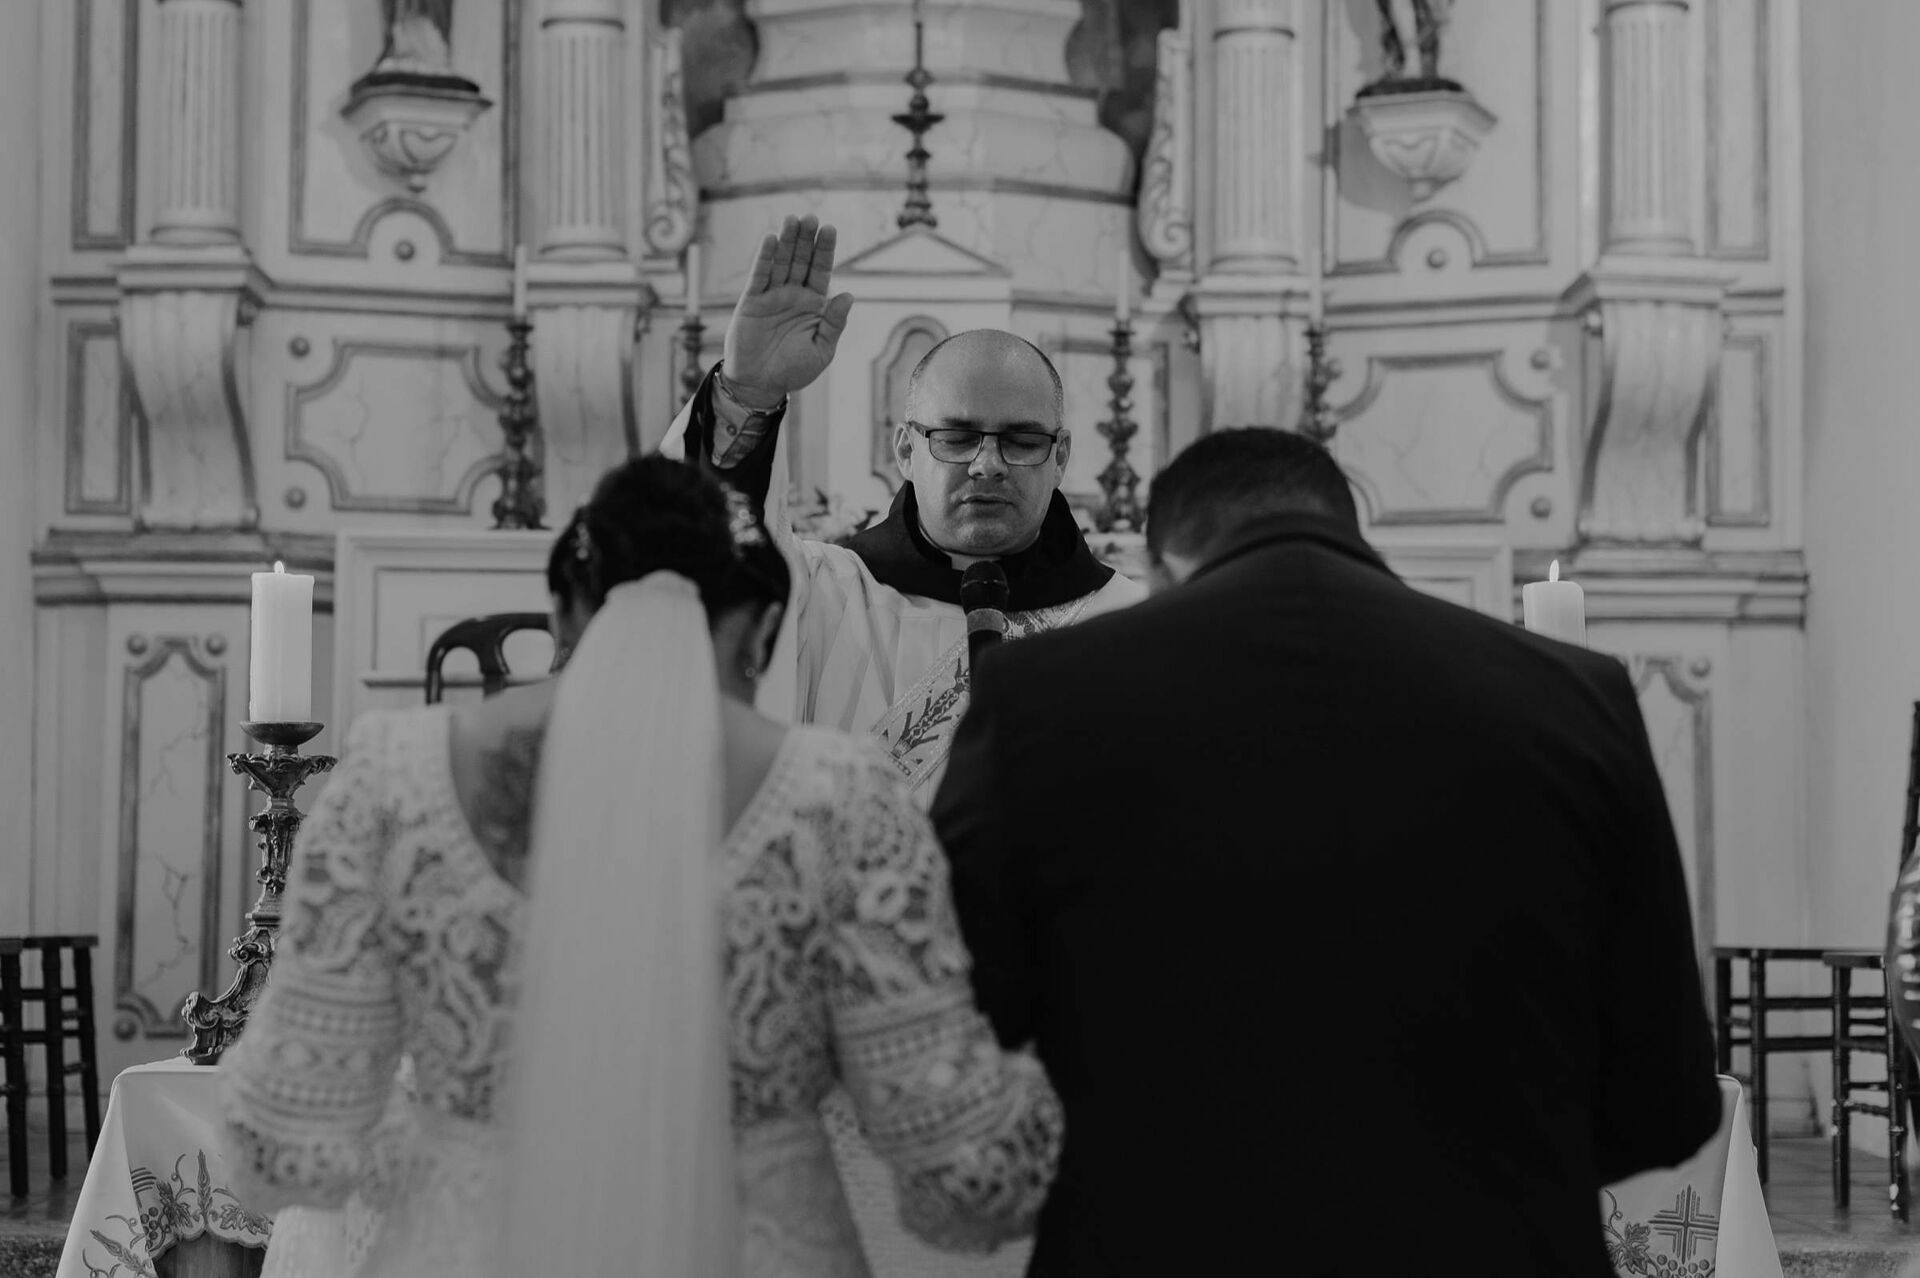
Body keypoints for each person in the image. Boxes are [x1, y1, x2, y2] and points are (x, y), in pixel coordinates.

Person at [217, 456, 1063, 1278]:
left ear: (561, 611)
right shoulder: (835, 800)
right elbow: (965, 1173)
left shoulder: (392, 779)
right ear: (762, 629)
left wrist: (457, 1133)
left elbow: (282, 1145)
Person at [933, 428, 1724, 1276]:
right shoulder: (1577, 695)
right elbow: (1667, 1102)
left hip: (1155, 1241)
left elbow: (956, 1028)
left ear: (1162, 563)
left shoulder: (1038, 695)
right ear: (1357, 536)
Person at [662, 213, 1145, 804]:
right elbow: (703, 569)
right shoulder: (822, 594)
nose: (986, 465)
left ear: (1061, 455)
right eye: (956, 437)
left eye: (1021, 441)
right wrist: (749, 394)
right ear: (905, 450)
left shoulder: (1131, 623)